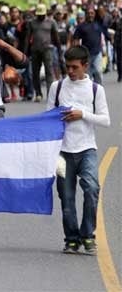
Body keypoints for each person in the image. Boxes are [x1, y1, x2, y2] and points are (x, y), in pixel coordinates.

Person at [46, 46, 110, 254]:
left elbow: (105, 120)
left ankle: (88, 234)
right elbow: (47, 118)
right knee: (66, 196)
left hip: (86, 149)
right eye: (67, 67)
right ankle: (71, 238)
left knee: (91, 189)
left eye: (75, 67)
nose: (70, 71)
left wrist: (82, 114)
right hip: (62, 152)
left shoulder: (95, 89)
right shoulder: (56, 87)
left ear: (85, 66)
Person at [24, 3, 61, 102]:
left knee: (49, 72)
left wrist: (59, 50)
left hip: (47, 49)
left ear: (45, 13)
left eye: (42, 14)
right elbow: (27, 38)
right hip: (35, 50)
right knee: (35, 73)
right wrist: (25, 52)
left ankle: (50, 94)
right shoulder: (32, 23)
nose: (40, 16)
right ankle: (38, 93)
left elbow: (56, 37)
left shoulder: (51, 22)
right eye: (38, 14)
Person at [73, 7, 110, 84]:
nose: (90, 15)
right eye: (88, 13)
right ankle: (89, 92)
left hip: (97, 53)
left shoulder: (98, 24)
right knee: (87, 75)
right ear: (85, 14)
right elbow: (76, 39)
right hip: (86, 55)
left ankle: (99, 90)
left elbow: (103, 13)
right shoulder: (81, 26)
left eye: (92, 13)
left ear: (95, 14)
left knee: (98, 72)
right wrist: (76, 52)